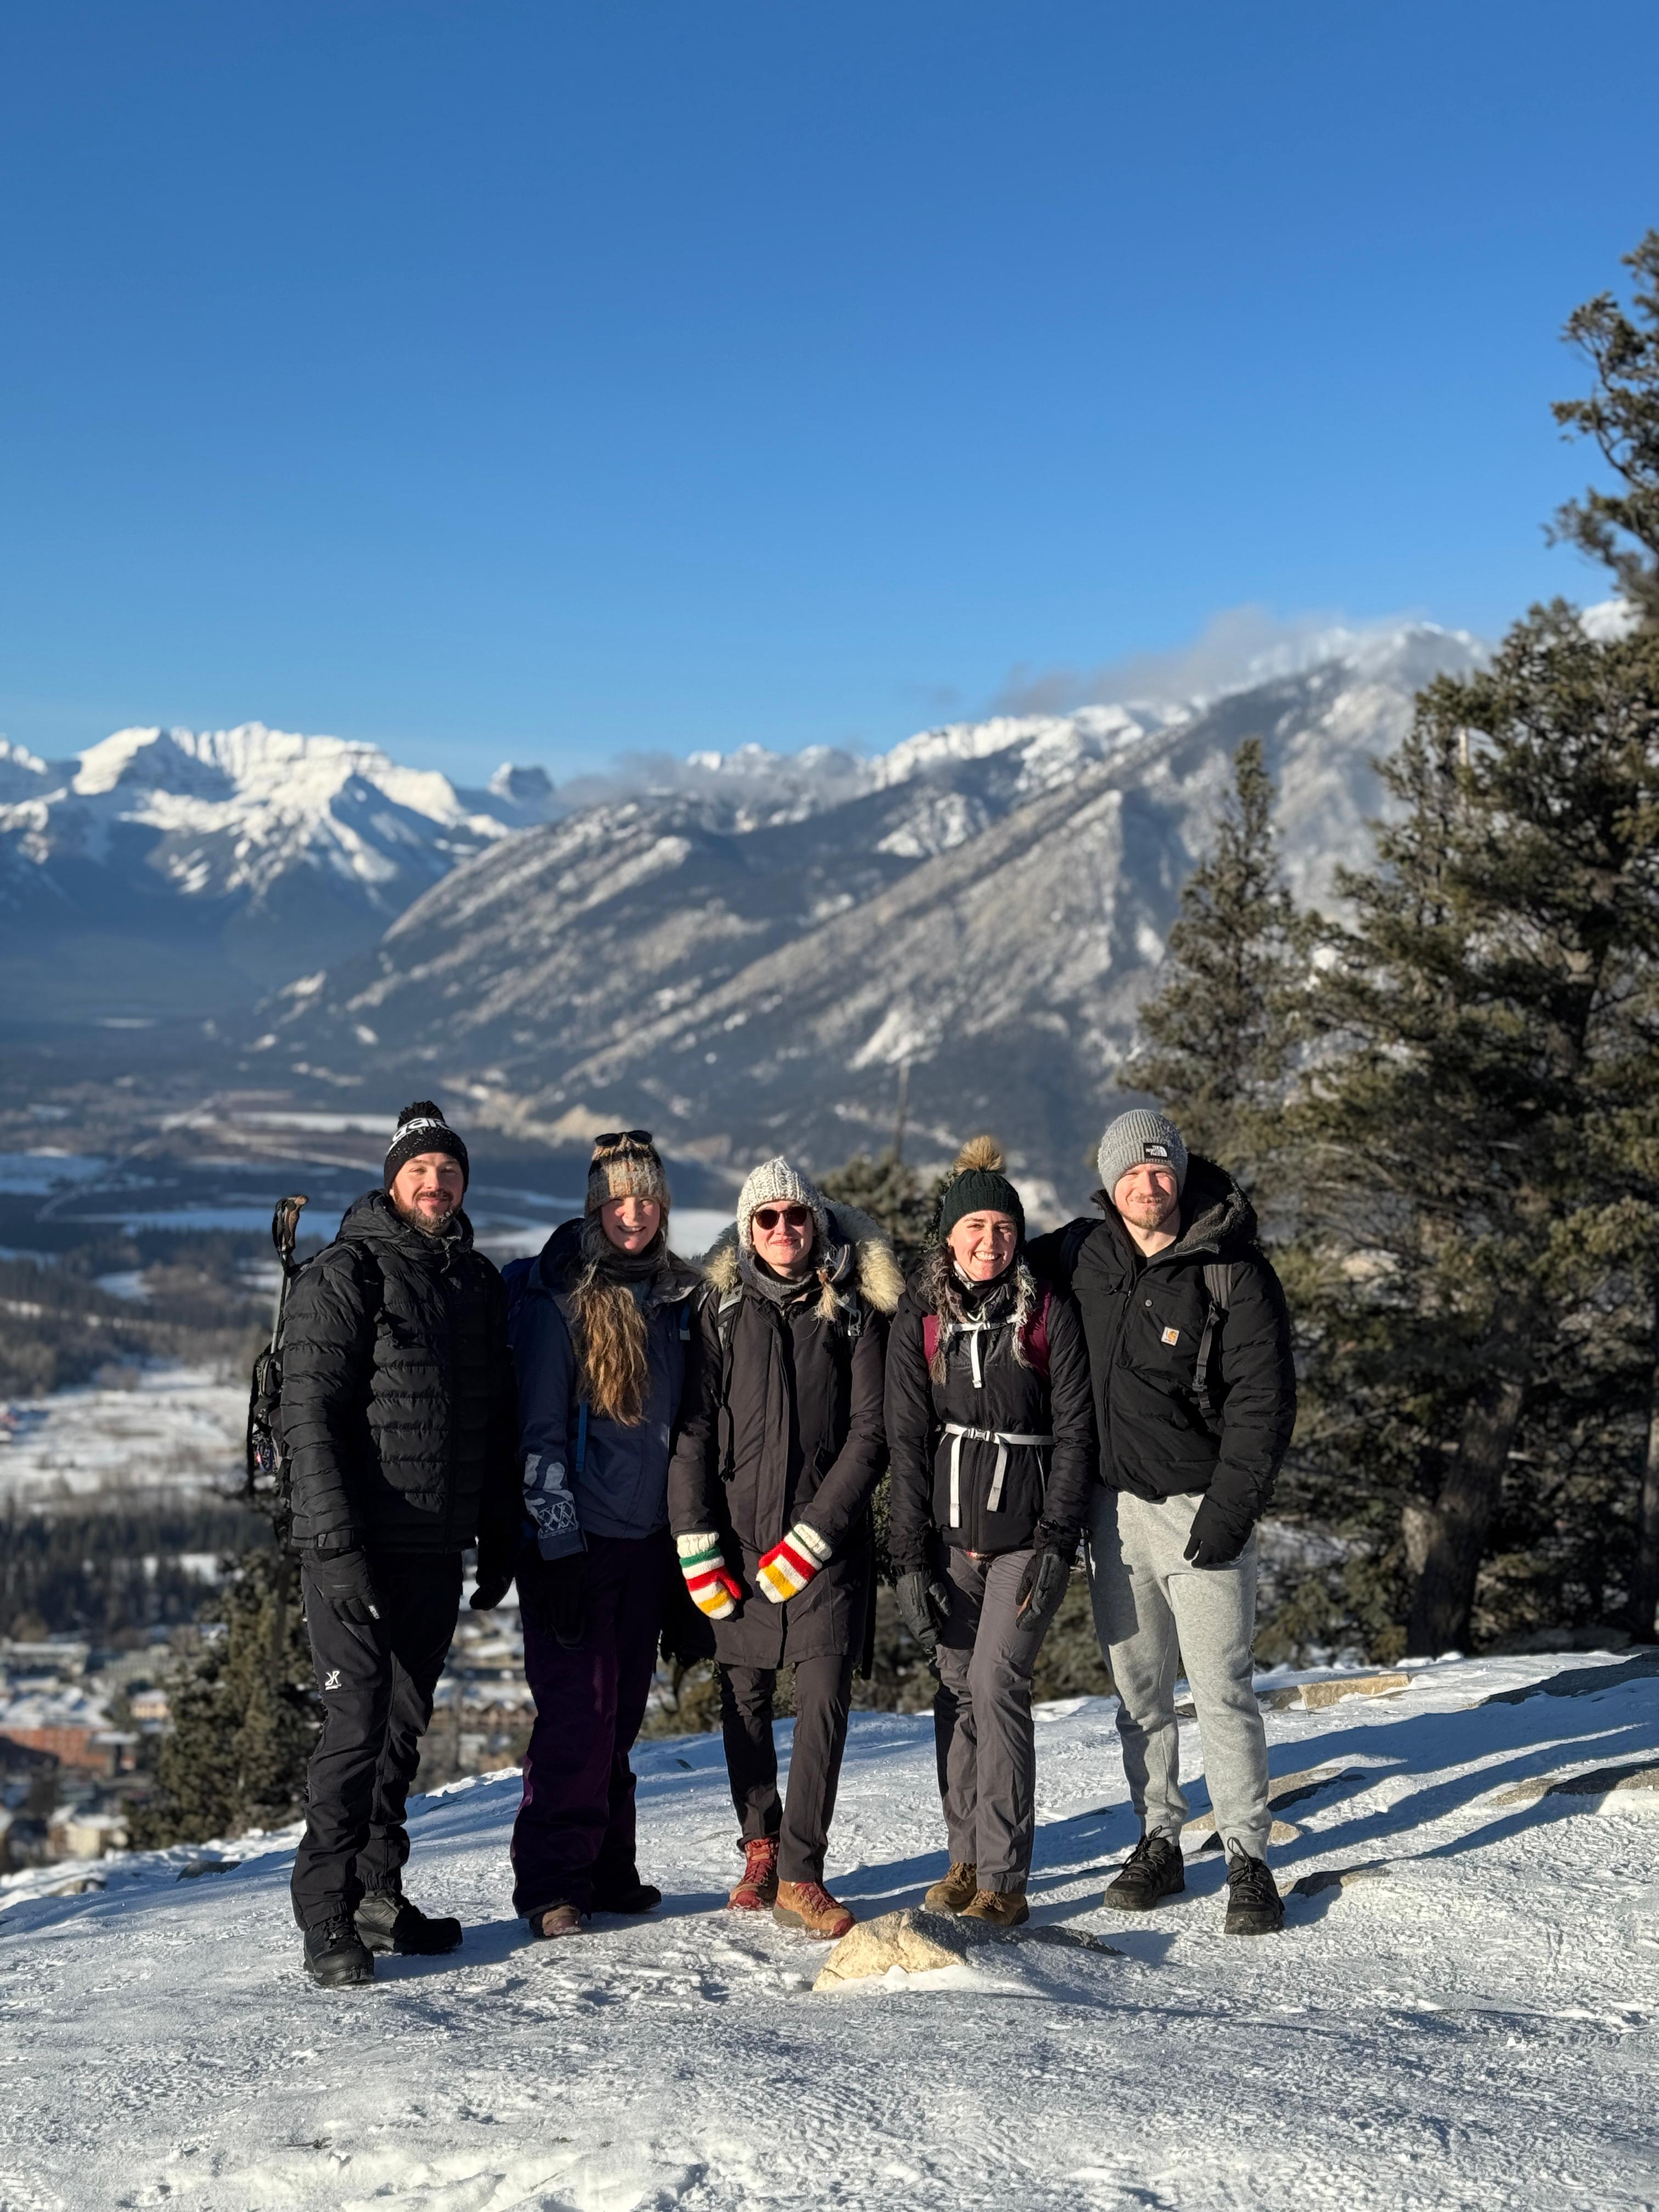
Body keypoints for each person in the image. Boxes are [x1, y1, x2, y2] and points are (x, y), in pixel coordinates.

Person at [1029, 1108, 1296, 1936]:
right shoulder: (1081, 1254)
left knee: (1222, 1690)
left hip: (1199, 1510)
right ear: (1110, 1184)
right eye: (1133, 1172)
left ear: (1179, 1173)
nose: (1150, 1184)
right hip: (1112, 1517)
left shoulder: (1231, 1270)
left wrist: (1227, 1516)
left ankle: (1248, 1854)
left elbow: (1265, 1404)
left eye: (1162, 1168)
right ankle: (1158, 1839)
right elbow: (985, 1255)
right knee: (1139, 1694)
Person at [281, 1100, 521, 1987]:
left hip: (433, 1544)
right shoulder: (346, 1273)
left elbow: (490, 1421)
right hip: (355, 1544)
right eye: (420, 1170)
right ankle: (327, 1913)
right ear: (393, 1181)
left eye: (449, 1171)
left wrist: (497, 1532)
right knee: (355, 1724)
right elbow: (308, 1418)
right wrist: (337, 1546)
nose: (436, 1183)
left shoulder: (473, 1283)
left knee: (403, 1726)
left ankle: (380, 1894)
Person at [667, 1158, 899, 1940]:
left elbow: (872, 1435)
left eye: (795, 1216)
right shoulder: (721, 1310)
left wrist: (815, 1535)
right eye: (765, 1219)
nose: (782, 1231)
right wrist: (696, 1540)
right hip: (735, 1534)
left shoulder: (852, 1310)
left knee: (825, 1697)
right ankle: (760, 1846)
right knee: (746, 1699)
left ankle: (802, 1870)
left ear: (817, 1223)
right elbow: (692, 1429)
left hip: (826, 1544)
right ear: (746, 1230)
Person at [885, 1137, 1096, 1927]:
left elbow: (1076, 1431)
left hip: (1025, 1537)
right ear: (948, 1236)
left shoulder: (1048, 1312)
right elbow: (906, 1441)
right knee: (954, 1688)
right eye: (974, 1227)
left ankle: (1004, 1876)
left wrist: (1055, 1540)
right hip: (948, 1535)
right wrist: (908, 1556)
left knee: (995, 1683)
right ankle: (964, 1857)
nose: (989, 1242)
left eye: (1003, 1229)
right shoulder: (923, 1315)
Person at [499, 1131, 703, 1939]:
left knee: (618, 1720)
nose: (634, 1213)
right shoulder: (562, 1303)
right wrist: (554, 1549)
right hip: (576, 1545)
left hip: (648, 1545)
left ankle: (608, 1870)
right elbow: (540, 1435)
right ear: (595, 1206)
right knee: (575, 1720)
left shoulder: (674, 1300)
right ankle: (552, 1884)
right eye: (618, 1199)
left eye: (647, 1198)